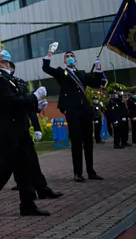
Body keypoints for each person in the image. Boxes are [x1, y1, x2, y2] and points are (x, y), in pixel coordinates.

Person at [0, 47, 50, 218]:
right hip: (7, 131)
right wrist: (34, 96)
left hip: (19, 129)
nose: (4, 51)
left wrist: (35, 106)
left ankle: (28, 205)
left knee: (25, 168)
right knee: (4, 169)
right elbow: (12, 103)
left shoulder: (9, 78)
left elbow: (20, 103)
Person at [42, 45, 105, 182]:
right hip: (72, 110)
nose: (70, 58)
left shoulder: (82, 74)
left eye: (71, 56)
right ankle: (78, 173)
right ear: (64, 61)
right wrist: (50, 53)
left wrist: (98, 68)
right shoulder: (61, 73)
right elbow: (46, 69)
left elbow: (96, 82)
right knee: (76, 141)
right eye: (67, 57)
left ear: (75, 60)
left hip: (85, 110)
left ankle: (91, 171)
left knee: (88, 140)